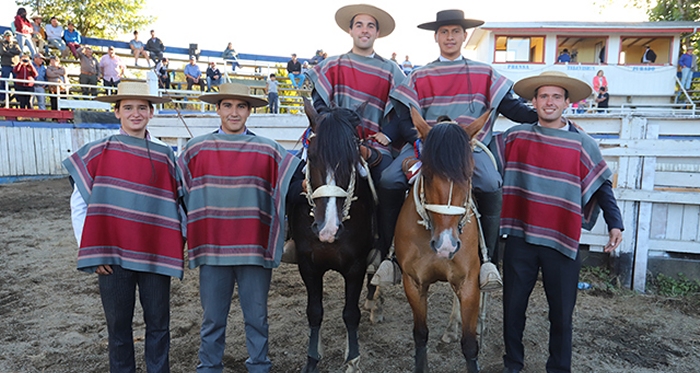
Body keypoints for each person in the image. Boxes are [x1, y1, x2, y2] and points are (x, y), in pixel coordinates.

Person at [389, 9, 539, 290]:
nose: (449, 37)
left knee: (491, 182)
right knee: (387, 179)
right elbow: (403, 118)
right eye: (444, 32)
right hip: (428, 147)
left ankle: (489, 260)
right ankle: (387, 256)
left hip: (470, 147)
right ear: (436, 37)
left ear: (464, 36)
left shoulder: (484, 73)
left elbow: (511, 107)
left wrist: (541, 116)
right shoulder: (420, 75)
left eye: (455, 31)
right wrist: (421, 142)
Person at [500, 70, 623, 373]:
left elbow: (602, 186)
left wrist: (615, 223)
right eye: (544, 96)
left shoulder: (582, 143)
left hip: (561, 239)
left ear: (567, 102)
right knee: (513, 310)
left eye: (556, 96)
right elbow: (486, 169)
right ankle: (512, 364)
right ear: (534, 101)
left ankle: (559, 368)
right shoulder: (515, 138)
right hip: (521, 236)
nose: (550, 102)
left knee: (562, 314)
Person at [178, 82, 301, 373]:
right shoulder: (196, 149)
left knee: (257, 316)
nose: (234, 112)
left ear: (250, 111)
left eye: (241, 106)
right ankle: (209, 366)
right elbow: (175, 191)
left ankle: (259, 365)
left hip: (254, 248)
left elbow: (292, 187)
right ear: (218, 108)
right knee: (212, 318)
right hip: (212, 248)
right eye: (228, 105)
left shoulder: (268, 149)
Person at [63, 81, 184, 373]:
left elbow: (178, 203)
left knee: (158, 324)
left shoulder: (165, 154)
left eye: (142, 107)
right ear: (116, 112)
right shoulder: (98, 151)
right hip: (113, 257)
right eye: (128, 107)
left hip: (155, 254)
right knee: (118, 328)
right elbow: (79, 205)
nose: (135, 113)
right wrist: (91, 250)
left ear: (151, 113)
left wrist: (178, 240)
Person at [304, 4, 406, 272]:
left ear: (377, 32)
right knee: (295, 176)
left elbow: (401, 111)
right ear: (350, 30)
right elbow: (319, 105)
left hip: (372, 144)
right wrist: (337, 134)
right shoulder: (332, 65)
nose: (364, 30)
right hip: (332, 142)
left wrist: (389, 133)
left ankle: (385, 251)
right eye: (359, 25)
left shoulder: (391, 69)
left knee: (388, 183)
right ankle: (295, 239)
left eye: (370, 26)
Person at [1, 30, 21, 97]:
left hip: (15, 65)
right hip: (5, 65)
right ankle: (2, 97)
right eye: (7, 36)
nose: (8, 37)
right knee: (4, 81)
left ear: (12, 37)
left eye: (9, 36)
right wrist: (12, 52)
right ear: (4, 37)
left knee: (17, 82)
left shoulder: (15, 44)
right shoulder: (2, 44)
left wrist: (8, 51)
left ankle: (18, 97)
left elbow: (18, 51)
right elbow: (2, 52)